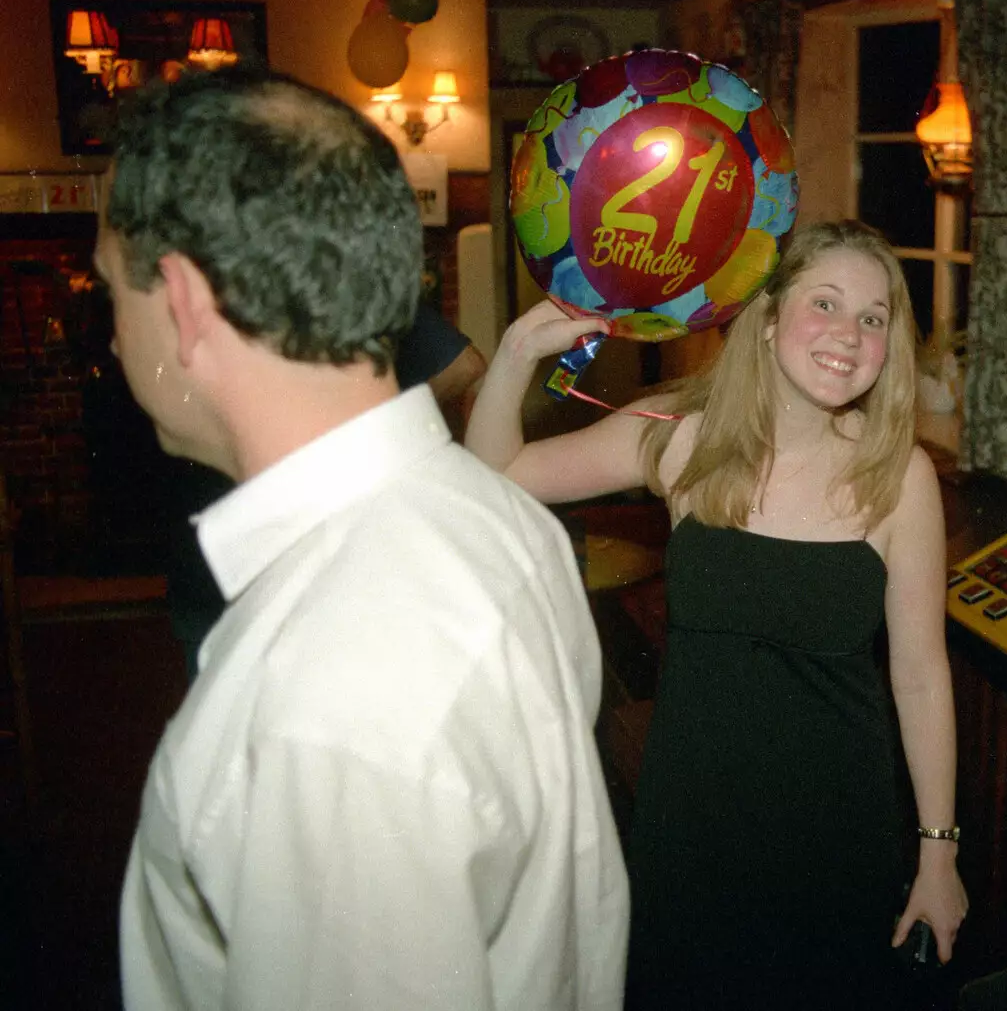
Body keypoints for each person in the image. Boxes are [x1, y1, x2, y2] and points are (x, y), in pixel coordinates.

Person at [107, 68, 627, 1011]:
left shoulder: (323, 698)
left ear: (181, 301)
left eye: (113, 293)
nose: (111, 340)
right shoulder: (496, 514)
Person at [466, 219, 967, 1010]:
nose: (849, 335)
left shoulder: (898, 476)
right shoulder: (680, 436)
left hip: (836, 835)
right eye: (826, 304)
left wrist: (938, 854)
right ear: (768, 320)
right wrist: (517, 354)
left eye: (873, 318)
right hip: (691, 827)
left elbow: (921, 676)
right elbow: (498, 472)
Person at [163, 298, 487, 682]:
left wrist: (363, 429)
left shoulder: (303, 264)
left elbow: (464, 365)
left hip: (276, 560)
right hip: (232, 553)